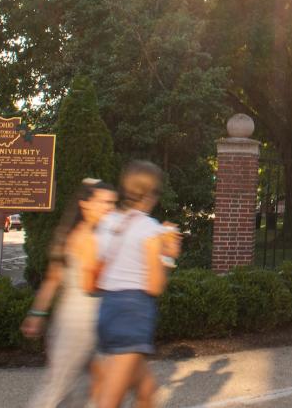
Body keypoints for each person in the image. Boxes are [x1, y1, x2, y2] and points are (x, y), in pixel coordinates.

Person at [23, 178, 120, 408]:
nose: (110, 208)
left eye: (113, 203)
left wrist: (37, 312)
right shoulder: (88, 238)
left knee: (94, 385)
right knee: (57, 388)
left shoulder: (72, 233)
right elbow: (91, 285)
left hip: (74, 317)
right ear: (85, 204)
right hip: (81, 321)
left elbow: (52, 279)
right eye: (104, 202)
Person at [93, 161, 180, 408]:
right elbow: (154, 286)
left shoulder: (107, 223)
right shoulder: (149, 230)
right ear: (152, 193)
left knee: (147, 391)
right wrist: (169, 254)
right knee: (110, 401)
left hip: (107, 309)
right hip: (132, 314)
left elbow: (98, 271)